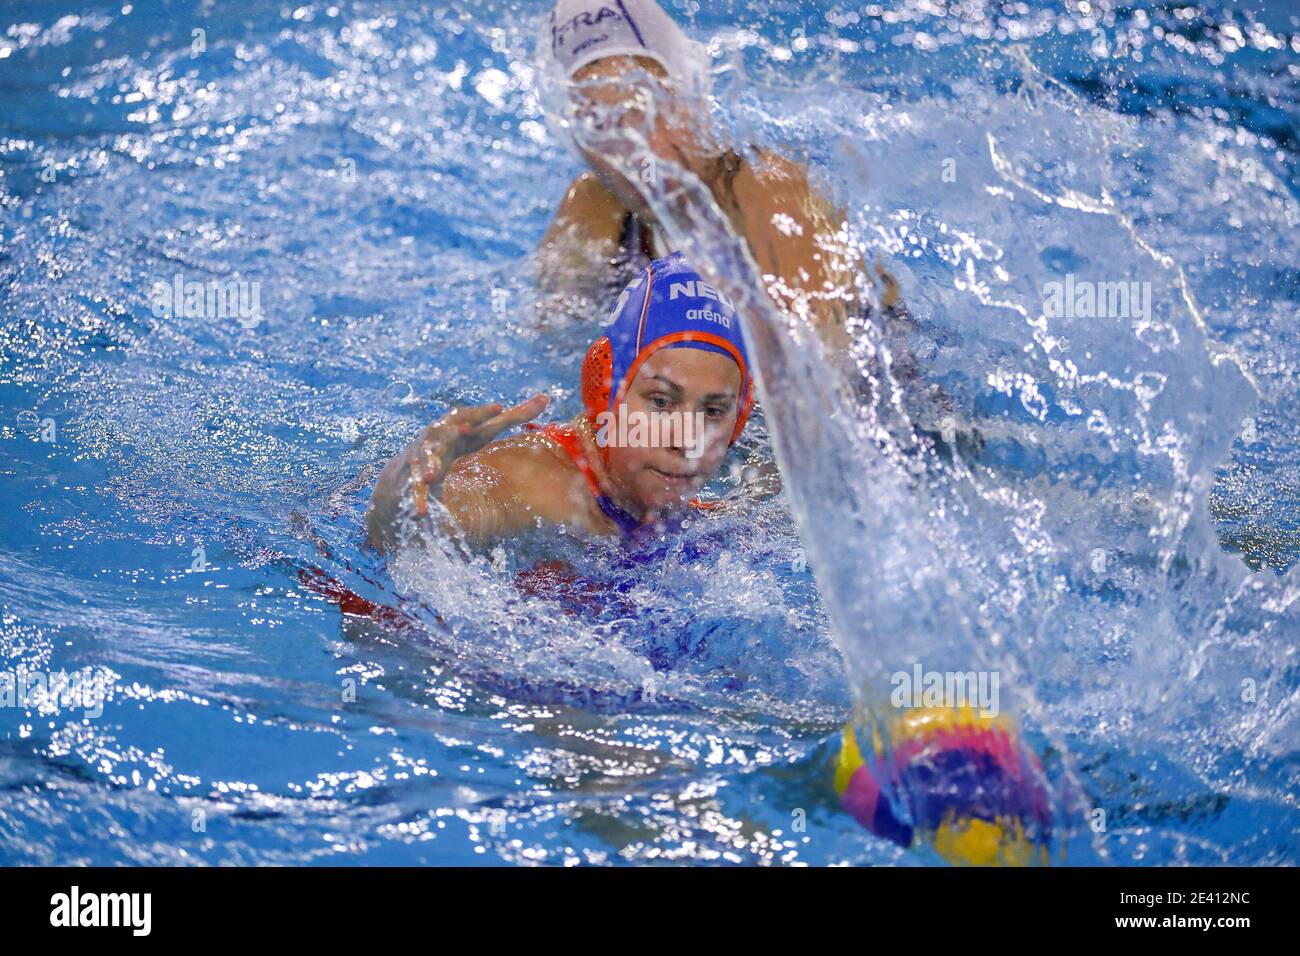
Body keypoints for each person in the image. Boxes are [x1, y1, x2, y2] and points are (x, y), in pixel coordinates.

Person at [535, 0, 900, 357]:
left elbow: (829, 384)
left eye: (648, 106)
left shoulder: (774, 197)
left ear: (692, 92)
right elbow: (549, 350)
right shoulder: (593, 206)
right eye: (597, 121)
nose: (630, 147)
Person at [366, 252, 752, 555]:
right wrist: (407, 481)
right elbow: (408, 535)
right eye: (661, 401)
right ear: (606, 394)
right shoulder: (533, 483)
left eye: (713, 411)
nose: (687, 440)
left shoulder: (710, 520)